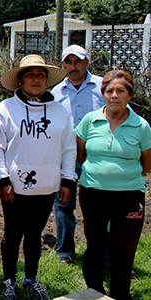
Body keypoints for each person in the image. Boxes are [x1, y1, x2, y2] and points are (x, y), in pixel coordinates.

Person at [0, 54, 77, 300]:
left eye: (41, 74)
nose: (36, 79)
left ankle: (31, 278)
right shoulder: (5, 109)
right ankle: (9, 281)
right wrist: (3, 179)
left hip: (47, 186)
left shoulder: (59, 111)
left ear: (47, 80)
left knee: (35, 234)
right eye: (30, 74)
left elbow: (68, 147)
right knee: (12, 234)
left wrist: (67, 179)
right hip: (14, 188)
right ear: (20, 80)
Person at [75, 70, 151, 300]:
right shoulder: (90, 120)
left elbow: (146, 163)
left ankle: (120, 295)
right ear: (103, 94)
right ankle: (94, 292)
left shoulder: (142, 126)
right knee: (94, 246)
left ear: (129, 95)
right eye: (109, 91)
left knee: (123, 251)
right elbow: (80, 155)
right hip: (93, 193)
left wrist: (122, 177)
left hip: (129, 197)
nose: (114, 95)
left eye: (120, 91)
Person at [51, 45, 104, 264]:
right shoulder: (56, 92)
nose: (73, 67)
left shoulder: (102, 86)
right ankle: (65, 250)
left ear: (86, 63)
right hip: (67, 157)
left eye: (77, 62)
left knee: (100, 207)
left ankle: (102, 252)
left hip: (96, 156)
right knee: (64, 204)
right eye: (68, 62)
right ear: (63, 64)